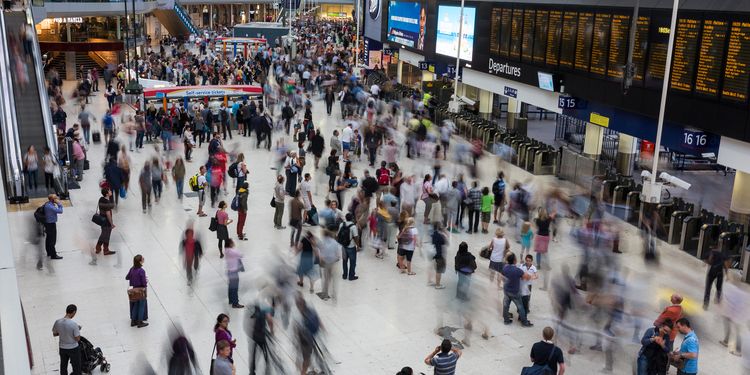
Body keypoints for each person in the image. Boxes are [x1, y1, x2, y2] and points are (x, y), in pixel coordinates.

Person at [502, 252, 533, 327]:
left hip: (506, 290)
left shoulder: (505, 268)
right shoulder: (517, 270)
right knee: (520, 307)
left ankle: (506, 320)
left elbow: (503, 276)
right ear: (514, 261)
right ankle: (524, 322)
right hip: (515, 292)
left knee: (506, 306)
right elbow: (527, 277)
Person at [52, 304, 82, 375]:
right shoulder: (73, 324)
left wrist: (63, 332)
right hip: (73, 348)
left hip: (62, 348)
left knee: (63, 366)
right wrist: (77, 329)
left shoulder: (57, 322)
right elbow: (77, 339)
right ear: (74, 312)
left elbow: (54, 334)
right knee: (76, 366)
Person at [92, 188, 116, 264]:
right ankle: (99, 248)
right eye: (109, 191)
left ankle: (105, 249)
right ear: (106, 194)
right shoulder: (107, 202)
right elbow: (108, 214)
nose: (111, 191)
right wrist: (111, 223)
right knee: (105, 235)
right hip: (106, 221)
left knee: (105, 234)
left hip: (102, 219)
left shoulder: (101, 199)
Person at [317, 229, 341, 300]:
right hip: (334, 263)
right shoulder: (335, 242)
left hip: (326, 263)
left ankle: (325, 295)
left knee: (326, 280)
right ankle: (334, 295)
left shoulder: (322, 242)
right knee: (334, 279)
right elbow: (338, 254)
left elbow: (318, 252)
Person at [125, 254, 149, 328]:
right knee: (141, 305)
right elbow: (144, 283)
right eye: (142, 258)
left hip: (134, 290)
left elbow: (127, 277)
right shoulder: (141, 271)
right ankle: (140, 322)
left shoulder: (132, 269)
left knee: (135, 305)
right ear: (140, 261)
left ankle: (133, 321)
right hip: (141, 290)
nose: (143, 259)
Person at [43, 194, 64, 259]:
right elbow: (60, 211)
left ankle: (49, 252)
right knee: (52, 240)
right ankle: (53, 255)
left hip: (48, 224)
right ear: (53, 199)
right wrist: (59, 204)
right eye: (56, 198)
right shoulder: (50, 207)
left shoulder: (48, 204)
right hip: (51, 224)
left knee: (48, 239)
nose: (57, 199)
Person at [224, 239, 244, 308]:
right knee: (235, 288)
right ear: (230, 244)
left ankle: (231, 300)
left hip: (229, 271)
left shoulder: (226, 250)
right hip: (234, 272)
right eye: (232, 242)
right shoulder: (232, 251)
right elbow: (241, 255)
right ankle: (235, 303)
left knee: (231, 287)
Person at [340, 212, 359, 280]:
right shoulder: (353, 226)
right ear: (352, 218)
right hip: (351, 246)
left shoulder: (342, 224)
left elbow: (338, 235)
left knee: (344, 261)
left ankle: (345, 275)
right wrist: (358, 246)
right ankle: (351, 276)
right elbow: (356, 237)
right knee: (352, 262)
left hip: (343, 246)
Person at [430, 223, 448, 289]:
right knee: (439, 271)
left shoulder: (432, 234)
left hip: (433, 254)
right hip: (439, 255)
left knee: (434, 268)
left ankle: (431, 281)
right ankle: (438, 285)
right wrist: (445, 232)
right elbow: (445, 243)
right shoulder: (440, 236)